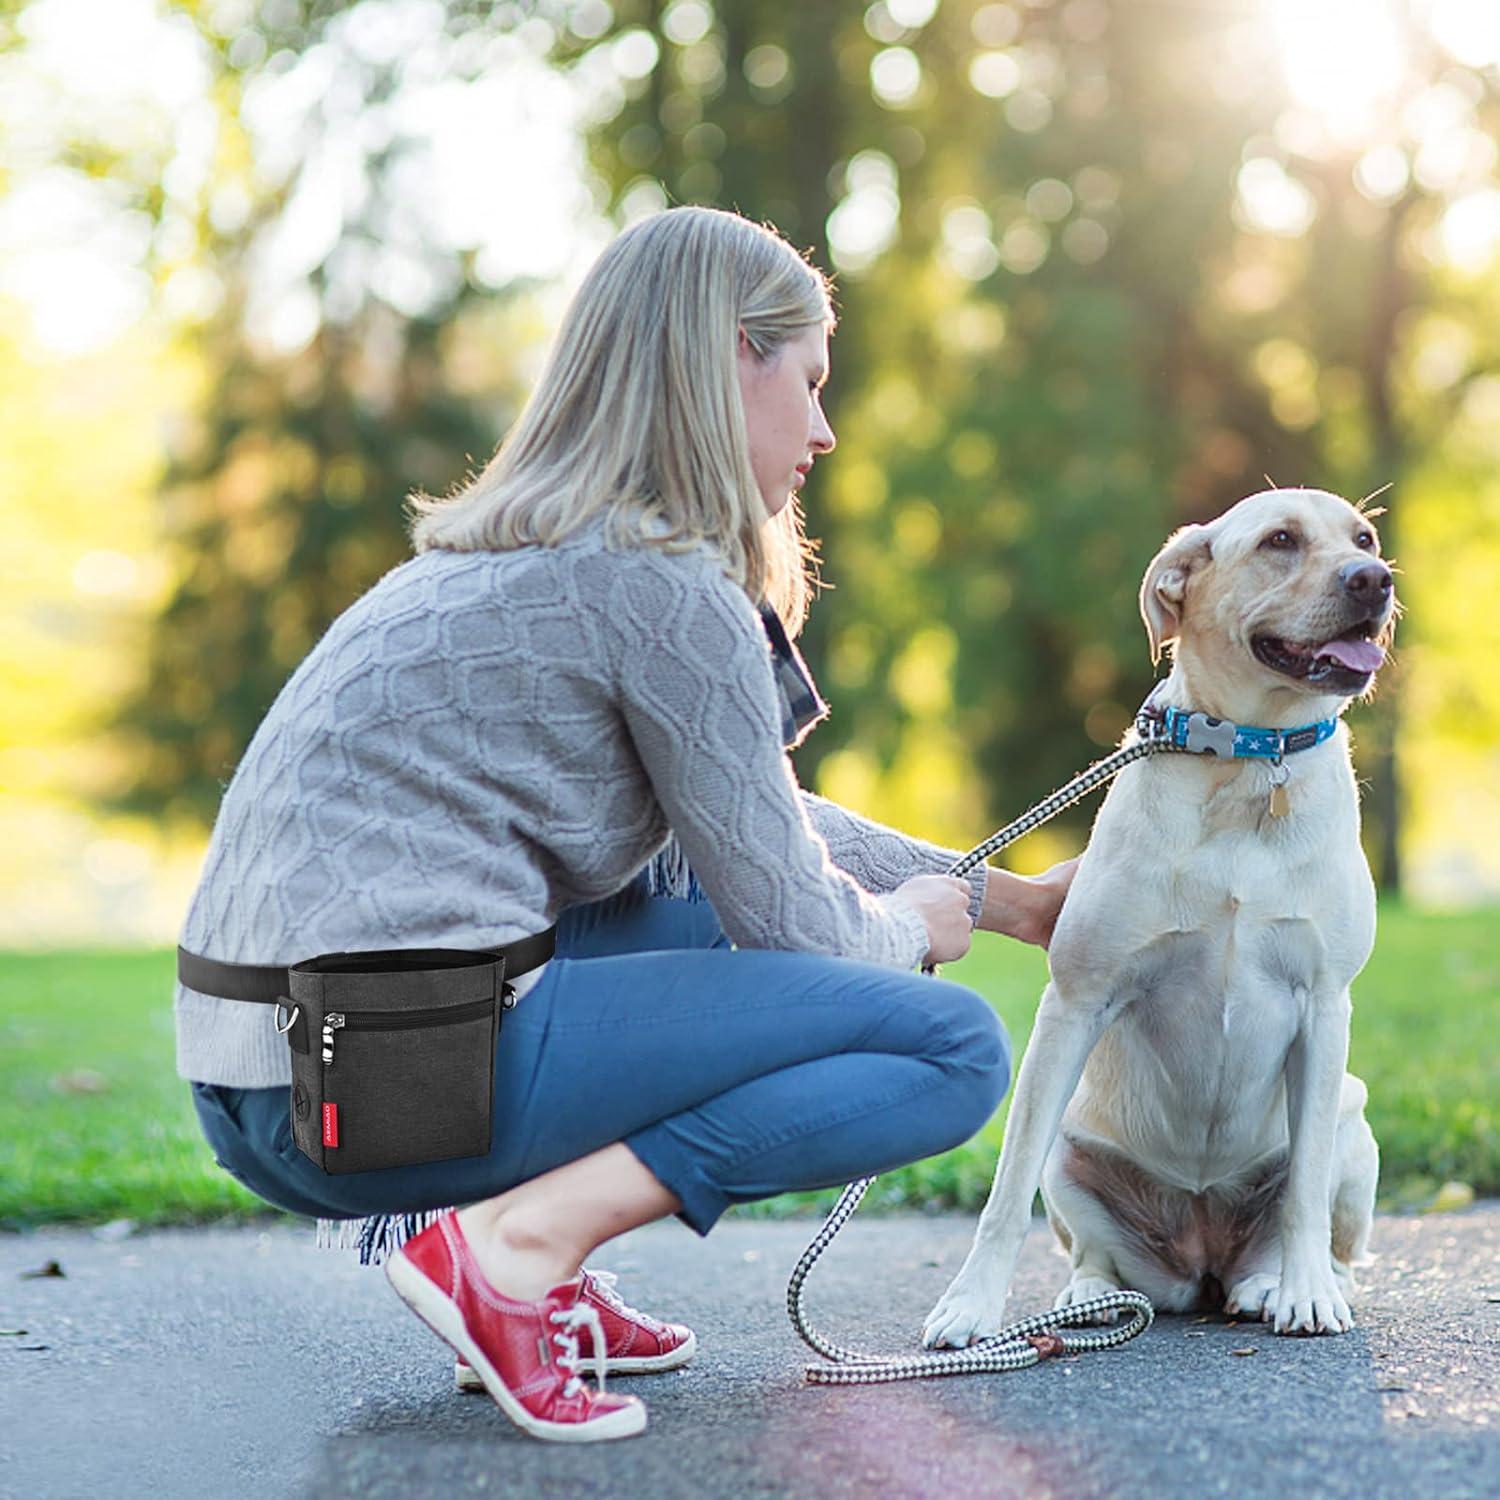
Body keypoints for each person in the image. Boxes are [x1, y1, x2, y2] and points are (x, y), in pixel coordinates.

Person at [176, 206, 1076, 1444]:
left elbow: (751, 816)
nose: (822, 430)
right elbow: (799, 922)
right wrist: (913, 930)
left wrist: (1004, 899)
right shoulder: (658, 584)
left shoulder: (522, 555)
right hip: (370, 1077)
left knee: (681, 916)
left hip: (279, 1074)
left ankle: (516, 1268)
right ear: (726, 364)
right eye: (808, 383)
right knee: (951, 1053)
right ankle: (511, 1256)